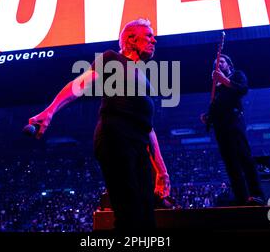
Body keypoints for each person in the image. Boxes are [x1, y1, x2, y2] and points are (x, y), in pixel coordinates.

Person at [28, 18, 170, 230]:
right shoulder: (112, 58)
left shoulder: (143, 76)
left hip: (138, 145)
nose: (154, 40)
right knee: (129, 211)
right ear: (131, 39)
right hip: (116, 138)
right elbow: (81, 83)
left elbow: (148, 126)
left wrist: (161, 169)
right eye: (148, 35)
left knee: (147, 212)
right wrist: (50, 111)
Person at [200, 54, 264, 206]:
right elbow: (216, 106)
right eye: (216, 63)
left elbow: (242, 89)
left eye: (221, 62)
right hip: (220, 127)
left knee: (245, 159)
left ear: (229, 64)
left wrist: (224, 80)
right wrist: (208, 117)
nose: (219, 64)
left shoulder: (236, 75)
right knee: (230, 164)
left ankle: (257, 195)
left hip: (234, 122)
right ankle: (242, 197)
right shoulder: (216, 87)